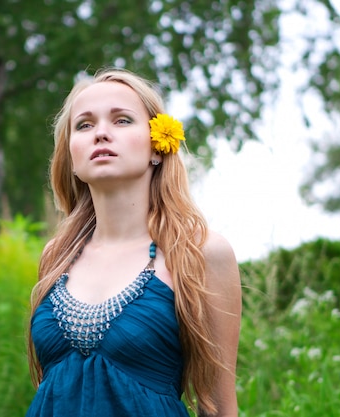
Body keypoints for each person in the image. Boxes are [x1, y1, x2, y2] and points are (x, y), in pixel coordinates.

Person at [26, 68, 242, 417]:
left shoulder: (200, 253)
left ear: (157, 147)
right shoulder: (58, 256)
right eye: (84, 125)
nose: (101, 133)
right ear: (73, 157)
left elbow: (218, 407)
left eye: (122, 120)